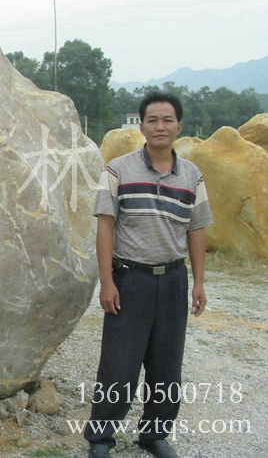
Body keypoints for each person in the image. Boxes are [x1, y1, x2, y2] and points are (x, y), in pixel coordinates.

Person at [85, 92, 213, 458]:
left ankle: (155, 435)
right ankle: (100, 439)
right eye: (153, 120)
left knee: (167, 364)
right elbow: (105, 227)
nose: (160, 126)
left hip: (173, 280)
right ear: (141, 125)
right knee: (118, 365)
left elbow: (197, 230)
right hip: (130, 280)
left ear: (179, 127)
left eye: (167, 120)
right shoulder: (118, 170)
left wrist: (199, 282)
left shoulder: (191, 175)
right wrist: (107, 281)